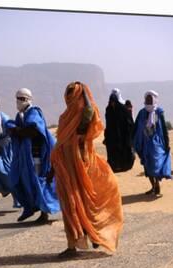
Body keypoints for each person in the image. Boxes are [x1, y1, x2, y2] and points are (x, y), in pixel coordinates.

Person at [50, 82, 124, 258]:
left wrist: (85, 97)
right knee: (70, 204)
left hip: (81, 166)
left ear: (78, 94)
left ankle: (94, 234)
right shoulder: (65, 116)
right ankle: (73, 244)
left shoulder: (85, 114)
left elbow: (89, 119)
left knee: (84, 203)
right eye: (67, 92)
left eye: (72, 93)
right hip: (66, 168)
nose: (68, 96)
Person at [7, 88, 60, 223]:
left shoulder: (33, 112)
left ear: (27, 99)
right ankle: (30, 208)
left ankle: (44, 214)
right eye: (18, 98)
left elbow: (34, 130)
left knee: (38, 183)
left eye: (22, 99)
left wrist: (17, 130)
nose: (19, 101)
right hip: (25, 158)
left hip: (36, 156)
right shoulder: (22, 115)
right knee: (20, 182)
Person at [133, 90, 172, 196]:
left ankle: (157, 185)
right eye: (147, 99)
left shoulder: (159, 112)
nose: (148, 101)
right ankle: (153, 186)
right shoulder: (141, 113)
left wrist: (167, 143)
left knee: (155, 165)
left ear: (154, 100)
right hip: (144, 144)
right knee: (147, 166)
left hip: (156, 145)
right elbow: (136, 127)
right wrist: (134, 141)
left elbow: (164, 129)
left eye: (150, 99)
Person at [103, 89, 135, 172]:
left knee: (123, 149)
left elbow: (129, 122)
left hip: (122, 134)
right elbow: (108, 122)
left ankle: (124, 165)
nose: (112, 103)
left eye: (114, 101)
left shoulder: (123, 109)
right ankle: (114, 166)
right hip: (112, 134)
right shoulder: (108, 110)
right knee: (112, 150)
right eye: (111, 101)